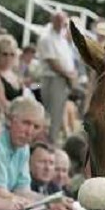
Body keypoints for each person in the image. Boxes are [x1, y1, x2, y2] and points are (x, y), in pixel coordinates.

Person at [0, 97, 75, 210]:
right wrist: (48, 206)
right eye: (26, 123)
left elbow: (23, 191)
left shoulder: (23, 148)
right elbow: (1, 193)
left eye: (36, 127)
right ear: (10, 120)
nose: (29, 131)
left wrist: (52, 201)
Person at [37, 11, 79, 144]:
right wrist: (69, 75)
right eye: (60, 21)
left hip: (63, 80)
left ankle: (53, 141)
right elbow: (52, 62)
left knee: (59, 113)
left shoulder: (61, 37)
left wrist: (72, 75)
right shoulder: (46, 38)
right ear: (53, 21)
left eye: (64, 22)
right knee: (52, 114)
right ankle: (48, 143)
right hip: (53, 79)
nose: (62, 25)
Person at [0, 34, 24, 112]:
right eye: (4, 54)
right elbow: (1, 103)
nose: (8, 58)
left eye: (12, 54)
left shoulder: (15, 74)